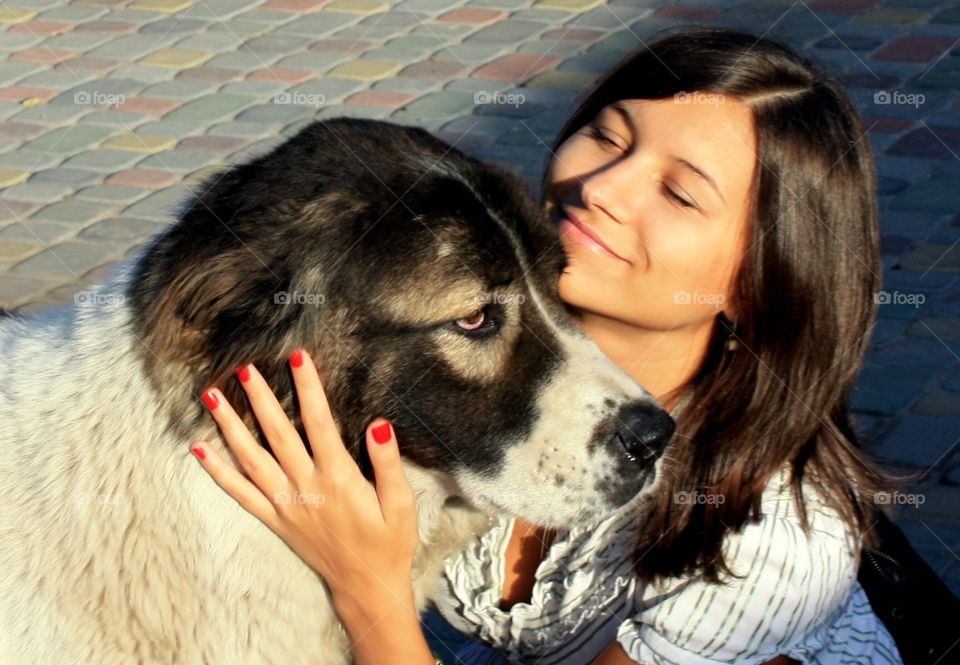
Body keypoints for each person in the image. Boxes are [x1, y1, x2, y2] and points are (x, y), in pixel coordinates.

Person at [188, 29, 904, 664]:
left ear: (759, 282)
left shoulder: (770, 542)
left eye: (679, 194)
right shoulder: (462, 332)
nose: (602, 187)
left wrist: (366, 585)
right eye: (610, 136)